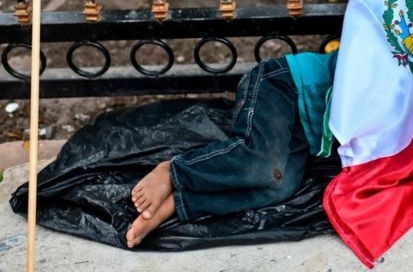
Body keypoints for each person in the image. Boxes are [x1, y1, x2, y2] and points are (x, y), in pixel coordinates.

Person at [126, 52, 338, 247]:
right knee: (262, 162)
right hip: (284, 83)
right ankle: (173, 172)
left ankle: (179, 203)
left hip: (308, 131)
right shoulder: (365, 52)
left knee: (280, 186)